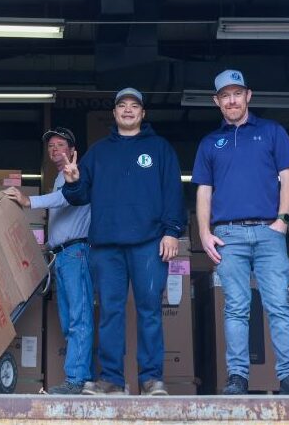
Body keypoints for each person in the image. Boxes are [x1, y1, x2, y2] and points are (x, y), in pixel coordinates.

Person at [193, 69, 289, 396]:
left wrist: (283, 221)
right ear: (217, 101)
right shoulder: (209, 143)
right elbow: (203, 192)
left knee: (278, 305)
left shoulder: (272, 132)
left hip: (268, 232)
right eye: (225, 95)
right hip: (228, 236)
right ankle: (237, 378)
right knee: (236, 307)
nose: (232, 100)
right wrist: (204, 233)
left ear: (248, 95)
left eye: (237, 93)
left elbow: (287, 178)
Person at [60, 88, 186, 396]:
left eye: (134, 106)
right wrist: (73, 179)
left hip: (149, 243)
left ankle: (152, 379)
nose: (128, 110)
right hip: (107, 246)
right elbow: (78, 196)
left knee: (150, 311)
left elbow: (174, 192)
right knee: (111, 312)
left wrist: (172, 231)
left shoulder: (159, 149)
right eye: (121, 106)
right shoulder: (99, 152)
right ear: (114, 114)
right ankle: (112, 380)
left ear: (143, 114)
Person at [4, 127, 94, 395]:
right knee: (69, 319)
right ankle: (79, 377)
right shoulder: (58, 177)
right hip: (63, 255)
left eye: (60, 145)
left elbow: (65, 198)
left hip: (76, 253)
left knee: (78, 317)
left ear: (72, 149)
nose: (55, 150)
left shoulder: (78, 172)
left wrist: (28, 200)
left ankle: (77, 380)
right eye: (51, 146)